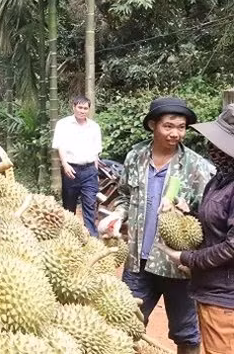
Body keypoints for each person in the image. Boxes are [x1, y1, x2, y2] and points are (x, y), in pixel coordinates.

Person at [100, 97, 216, 354]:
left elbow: (212, 215)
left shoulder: (198, 168)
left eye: (181, 127)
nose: (176, 133)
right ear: (153, 125)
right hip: (138, 261)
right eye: (169, 126)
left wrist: (192, 210)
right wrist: (118, 214)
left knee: (186, 335)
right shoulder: (135, 157)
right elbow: (124, 195)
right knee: (123, 324)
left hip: (177, 266)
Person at [160, 103, 234, 354]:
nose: (212, 148)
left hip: (226, 297)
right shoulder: (220, 178)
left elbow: (232, 246)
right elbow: (215, 227)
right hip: (209, 289)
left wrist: (186, 257)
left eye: (220, 144)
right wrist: (188, 212)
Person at [52, 95, 103, 237]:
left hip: (89, 171)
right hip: (71, 170)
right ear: (73, 107)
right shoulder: (63, 124)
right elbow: (59, 146)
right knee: (69, 207)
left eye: (85, 108)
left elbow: (95, 152)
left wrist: (96, 172)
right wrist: (65, 164)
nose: (82, 110)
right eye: (80, 107)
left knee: (90, 205)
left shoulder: (94, 127)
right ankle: (69, 237)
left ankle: (92, 238)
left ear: (89, 109)